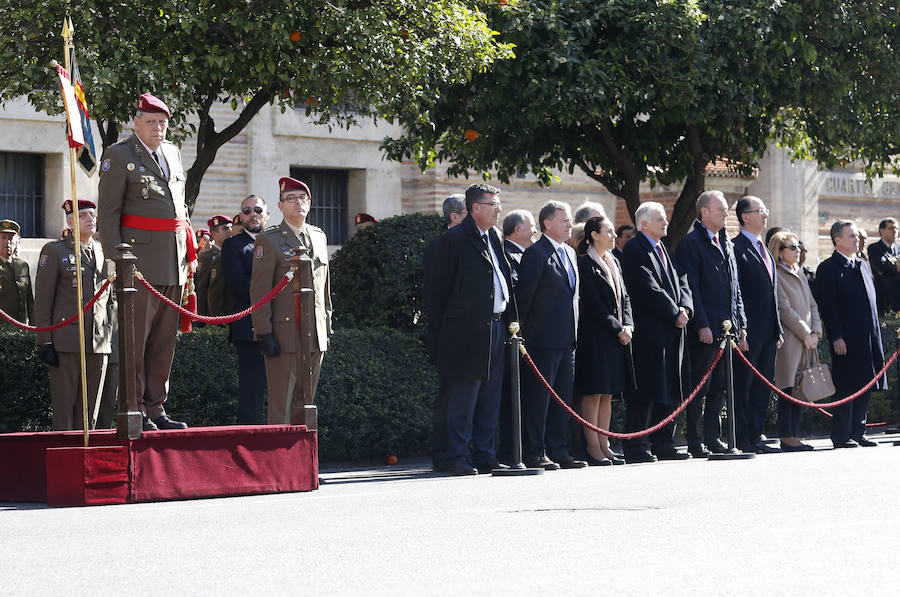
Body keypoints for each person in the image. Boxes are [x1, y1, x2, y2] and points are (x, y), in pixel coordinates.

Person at [97, 92, 188, 431]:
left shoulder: (173, 154)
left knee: (164, 341)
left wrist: (187, 252)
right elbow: (108, 213)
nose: (157, 128)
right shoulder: (119, 155)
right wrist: (115, 258)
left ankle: (156, 408)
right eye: (150, 122)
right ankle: (133, 408)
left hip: (172, 261)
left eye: (162, 122)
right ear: (135, 123)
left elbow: (180, 209)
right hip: (137, 264)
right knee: (135, 342)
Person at [425, 184, 514, 475]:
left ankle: (484, 453)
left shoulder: (495, 236)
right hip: (463, 332)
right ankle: (455, 456)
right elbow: (437, 291)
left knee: (489, 397)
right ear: (476, 208)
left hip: (497, 327)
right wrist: (443, 333)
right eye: (494, 204)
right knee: (462, 397)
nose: (499, 209)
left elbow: (503, 280)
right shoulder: (454, 239)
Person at [250, 177, 332, 424]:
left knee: (307, 404)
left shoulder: (319, 237)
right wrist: (264, 333)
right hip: (284, 334)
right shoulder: (270, 240)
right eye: (291, 198)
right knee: (281, 406)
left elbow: (325, 286)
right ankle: (278, 462)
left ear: (310, 203)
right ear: (280, 205)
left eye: (302, 198)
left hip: (315, 334)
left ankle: (304, 459)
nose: (298, 203)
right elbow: (260, 291)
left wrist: (326, 326)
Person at [675, 190, 747, 457]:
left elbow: (735, 289)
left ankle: (714, 438)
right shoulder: (691, 243)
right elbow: (691, 288)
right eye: (720, 209)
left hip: (728, 330)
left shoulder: (726, 243)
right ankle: (695, 441)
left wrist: (741, 325)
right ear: (704, 212)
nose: (725, 214)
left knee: (720, 387)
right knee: (700, 387)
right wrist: (701, 324)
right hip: (706, 330)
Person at [516, 200, 587, 470]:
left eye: (570, 220)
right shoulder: (536, 254)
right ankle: (535, 451)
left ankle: (559, 449)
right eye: (564, 219)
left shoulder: (569, 253)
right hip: (541, 341)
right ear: (547, 223)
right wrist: (528, 335)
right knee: (539, 400)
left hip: (567, 339)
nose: (570, 224)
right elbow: (525, 299)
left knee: (563, 399)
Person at [621, 202, 693, 463]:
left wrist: (685, 307)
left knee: (670, 389)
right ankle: (635, 445)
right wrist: (674, 312)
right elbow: (647, 287)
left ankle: (664, 442)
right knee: (647, 390)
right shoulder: (635, 249)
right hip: (651, 331)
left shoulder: (664, 248)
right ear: (644, 224)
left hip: (673, 329)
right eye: (659, 219)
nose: (665, 222)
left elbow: (681, 280)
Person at [34, 200, 113, 430]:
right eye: (83, 216)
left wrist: (108, 333)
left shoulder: (101, 249)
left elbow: (108, 298)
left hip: (98, 341)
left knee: (91, 410)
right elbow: (43, 300)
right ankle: (65, 458)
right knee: (65, 408)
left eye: (92, 215)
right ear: (69, 222)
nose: (90, 219)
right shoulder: (55, 251)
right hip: (66, 341)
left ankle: (86, 458)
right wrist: (45, 341)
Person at [815, 220, 884, 448]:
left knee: (866, 381)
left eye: (857, 236)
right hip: (846, 338)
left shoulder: (862, 265)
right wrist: (836, 336)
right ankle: (842, 434)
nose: (857, 240)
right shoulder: (828, 268)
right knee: (846, 384)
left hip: (868, 336)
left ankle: (858, 430)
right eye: (852, 236)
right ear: (838, 240)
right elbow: (829, 307)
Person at [574, 216, 635, 465]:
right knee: (594, 392)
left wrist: (629, 325)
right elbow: (594, 305)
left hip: (617, 336)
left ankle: (605, 443)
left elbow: (625, 298)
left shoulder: (614, 262)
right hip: (596, 337)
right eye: (609, 231)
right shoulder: (585, 264)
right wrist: (617, 327)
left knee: (608, 393)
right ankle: (592, 446)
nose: (614, 235)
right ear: (594, 235)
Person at [732, 196, 783, 454]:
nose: (765, 215)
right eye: (760, 211)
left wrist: (779, 329)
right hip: (748, 331)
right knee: (745, 386)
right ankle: (742, 437)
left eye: (766, 210)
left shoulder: (763, 248)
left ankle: (756, 434)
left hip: (769, 330)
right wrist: (741, 327)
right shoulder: (736, 247)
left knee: (763, 387)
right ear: (745, 216)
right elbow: (736, 292)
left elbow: (771, 292)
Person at [423, 193, 467, 472]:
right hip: (449, 332)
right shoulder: (441, 245)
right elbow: (437, 293)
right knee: (450, 395)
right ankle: (445, 453)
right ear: (454, 217)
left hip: (466, 331)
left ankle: (459, 450)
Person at [769, 230, 821, 451]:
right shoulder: (777, 274)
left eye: (798, 246)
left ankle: (794, 433)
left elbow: (812, 306)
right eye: (792, 247)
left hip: (807, 340)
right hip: (791, 341)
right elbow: (784, 310)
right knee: (788, 387)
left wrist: (816, 333)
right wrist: (805, 333)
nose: (797, 250)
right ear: (780, 253)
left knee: (801, 388)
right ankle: (787, 435)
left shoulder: (799, 272)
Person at [222, 195, 269, 424]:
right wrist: (275, 295)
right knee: (252, 387)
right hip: (248, 327)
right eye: (247, 210)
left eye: (258, 209)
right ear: (240, 217)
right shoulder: (233, 245)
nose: (253, 214)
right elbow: (240, 285)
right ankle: (251, 438)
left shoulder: (276, 242)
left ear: (267, 214)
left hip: (280, 323)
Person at [195, 214, 232, 317]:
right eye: (225, 228)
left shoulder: (231, 253)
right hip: (212, 315)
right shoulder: (207, 257)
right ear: (214, 233)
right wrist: (202, 317)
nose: (229, 231)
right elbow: (201, 288)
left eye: (230, 227)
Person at [0, 219, 34, 325]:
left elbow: (30, 302)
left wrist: (34, 327)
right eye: (3, 238)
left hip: (21, 327)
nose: (8, 242)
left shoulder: (23, 266)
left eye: (11, 238)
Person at [867, 218, 900, 313]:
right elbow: (882, 269)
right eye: (891, 228)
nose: (895, 231)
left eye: (896, 228)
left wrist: (892, 265)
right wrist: (894, 266)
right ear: (882, 230)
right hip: (885, 300)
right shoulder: (874, 248)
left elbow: (889, 267)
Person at [501, 209, 536, 283]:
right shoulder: (507, 255)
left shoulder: (519, 254)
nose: (535, 231)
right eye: (532, 226)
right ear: (517, 229)